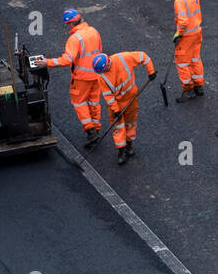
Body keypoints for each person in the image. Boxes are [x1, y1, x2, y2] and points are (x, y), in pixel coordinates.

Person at [35, 9, 103, 145]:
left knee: (80, 103)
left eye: (68, 24)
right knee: (94, 102)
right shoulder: (94, 31)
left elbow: (67, 60)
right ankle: (96, 128)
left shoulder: (75, 39)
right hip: (97, 75)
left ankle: (90, 131)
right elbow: (99, 52)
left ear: (71, 23)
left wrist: (46, 62)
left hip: (81, 78)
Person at [94, 50, 156, 164]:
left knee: (131, 123)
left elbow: (143, 56)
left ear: (108, 62)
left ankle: (129, 146)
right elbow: (108, 96)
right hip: (117, 104)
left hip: (131, 99)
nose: (105, 71)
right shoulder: (101, 77)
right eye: (103, 71)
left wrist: (151, 71)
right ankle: (121, 151)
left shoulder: (123, 58)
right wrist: (116, 110)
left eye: (105, 69)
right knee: (118, 127)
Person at [166, 0, 204, 101]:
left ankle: (188, 90)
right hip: (197, 32)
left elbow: (183, 21)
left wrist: (178, 35)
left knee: (182, 63)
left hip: (187, 36)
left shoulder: (179, 1)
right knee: (195, 59)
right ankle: (199, 86)